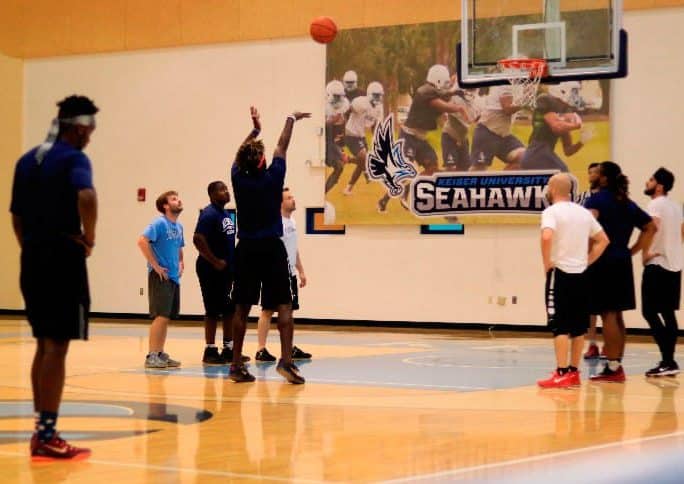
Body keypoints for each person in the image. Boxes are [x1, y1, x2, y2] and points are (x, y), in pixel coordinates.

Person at [10, 95, 98, 459]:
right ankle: (47, 434)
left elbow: (15, 214)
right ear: (78, 128)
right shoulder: (74, 158)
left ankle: (41, 430)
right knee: (57, 346)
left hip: (32, 257)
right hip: (63, 257)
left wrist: (29, 246)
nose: (91, 137)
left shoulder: (27, 159)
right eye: (90, 129)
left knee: (43, 344)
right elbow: (87, 196)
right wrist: (89, 238)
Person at [230, 107, 310, 384]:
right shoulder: (274, 177)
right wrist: (290, 118)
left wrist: (254, 129)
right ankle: (286, 362)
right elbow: (282, 145)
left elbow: (241, 153)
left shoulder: (238, 178)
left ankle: (235, 365)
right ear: (263, 160)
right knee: (284, 306)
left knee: (241, 308)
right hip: (272, 248)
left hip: (247, 249)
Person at [585, 161, 657, 382]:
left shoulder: (595, 200)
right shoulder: (626, 202)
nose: (594, 175)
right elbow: (651, 226)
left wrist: (585, 258)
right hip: (621, 261)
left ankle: (613, 368)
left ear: (604, 178)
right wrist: (632, 250)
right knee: (617, 315)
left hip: (603, 261)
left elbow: (588, 231)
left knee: (607, 314)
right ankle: (616, 364)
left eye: (598, 173)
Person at [537, 174, 609, 388]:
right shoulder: (583, 212)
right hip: (581, 274)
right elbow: (603, 240)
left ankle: (560, 372)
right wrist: (587, 261)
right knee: (579, 326)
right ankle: (573, 372)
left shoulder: (551, 212)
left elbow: (547, 236)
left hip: (560, 272)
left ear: (552, 189)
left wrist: (546, 262)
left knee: (559, 325)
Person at [377, 65, 471, 212]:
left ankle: (400, 193)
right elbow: (442, 104)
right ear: (438, 79)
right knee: (406, 171)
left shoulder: (434, 91)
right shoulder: (424, 91)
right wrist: (458, 106)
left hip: (421, 139)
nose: (446, 85)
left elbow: (444, 94)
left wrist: (455, 81)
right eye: (444, 81)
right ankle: (389, 199)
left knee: (432, 168)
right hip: (408, 136)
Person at [193, 181, 249, 365]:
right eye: (221, 190)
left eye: (227, 189)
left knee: (228, 308)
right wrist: (215, 261)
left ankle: (228, 348)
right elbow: (198, 239)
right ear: (211, 194)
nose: (226, 192)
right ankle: (209, 350)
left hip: (226, 269)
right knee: (212, 309)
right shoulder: (209, 214)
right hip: (210, 268)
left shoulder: (225, 214)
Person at [255, 187, 311, 362]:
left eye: (292, 197)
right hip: (274, 274)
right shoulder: (275, 223)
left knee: (289, 311)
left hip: (289, 274)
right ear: (280, 203)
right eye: (288, 198)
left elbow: (293, 249)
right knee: (268, 310)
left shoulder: (292, 222)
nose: (293, 200)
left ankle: (289, 347)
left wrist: (300, 270)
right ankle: (261, 349)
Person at [641, 168, 683, 376]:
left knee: (649, 311)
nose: (647, 182)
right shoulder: (676, 206)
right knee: (668, 313)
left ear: (659, 186)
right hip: (675, 264)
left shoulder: (655, 204)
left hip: (657, 263)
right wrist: (673, 248)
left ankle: (667, 360)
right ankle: (669, 361)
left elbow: (652, 227)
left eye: (650, 179)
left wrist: (645, 253)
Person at [137, 191, 185, 369]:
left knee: (166, 317)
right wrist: (155, 266)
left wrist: (181, 262)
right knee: (160, 316)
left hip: (173, 277)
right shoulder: (159, 223)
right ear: (165, 206)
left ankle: (160, 353)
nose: (178, 200)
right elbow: (142, 241)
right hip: (160, 276)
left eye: (178, 198)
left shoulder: (179, 227)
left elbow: (179, 247)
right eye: (173, 199)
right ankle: (151, 355)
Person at [519, 82, 590, 172]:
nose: (575, 95)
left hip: (542, 153)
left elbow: (568, 150)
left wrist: (582, 141)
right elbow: (556, 126)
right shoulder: (546, 100)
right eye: (574, 92)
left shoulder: (565, 110)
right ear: (563, 91)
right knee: (564, 175)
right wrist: (576, 125)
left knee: (564, 176)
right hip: (537, 151)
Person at [578, 163, 605, 359]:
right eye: (589, 172)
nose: (590, 175)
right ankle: (593, 342)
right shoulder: (586, 199)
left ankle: (609, 346)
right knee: (591, 306)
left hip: (602, 252)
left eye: (594, 172)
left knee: (607, 305)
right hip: (590, 255)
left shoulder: (604, 200)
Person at [469, 84, 525, 171]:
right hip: (488, 132)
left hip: (504, 135)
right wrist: (526, 103)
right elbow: (507, 108)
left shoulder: (518, 84)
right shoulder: (506, 82)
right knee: (478, 170)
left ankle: (502, 182)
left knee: (524, 158)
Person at [342, 82, 384, 195]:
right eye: (376, 95)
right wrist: (342, 127)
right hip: (351, 133)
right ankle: (368, 173)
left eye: (380, 95)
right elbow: (346, 112)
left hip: (361, 135)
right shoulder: (360, 102)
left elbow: (375, 125)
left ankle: (348, 188)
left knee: (362, 162)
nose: (378, 98)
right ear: (370, 94)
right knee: (363, 157)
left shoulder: (379, 108)